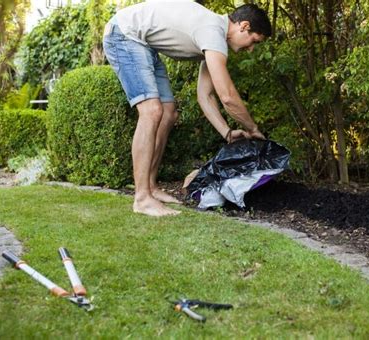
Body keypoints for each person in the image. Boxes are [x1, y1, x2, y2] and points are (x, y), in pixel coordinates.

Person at [103, 1, 271, 217]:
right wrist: (253, 128)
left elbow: (205, 96)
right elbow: (227, 97)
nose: (251, 49)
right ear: (243, 26)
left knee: (168, 112)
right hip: (123, 34)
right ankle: (142, 198)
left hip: (142, 44)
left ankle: (151, 187)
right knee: (151, 111)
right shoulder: (212, 31)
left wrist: (227, 133)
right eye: (253, 41)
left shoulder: (214, 39)